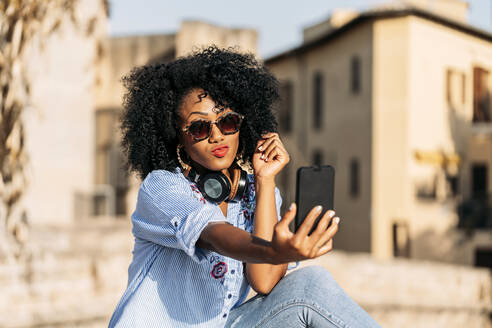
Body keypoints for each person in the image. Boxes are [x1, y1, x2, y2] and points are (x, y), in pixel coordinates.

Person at [108, 46, 381, 328]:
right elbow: (214, 235)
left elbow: (263, 281)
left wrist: (265, 181)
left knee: (311, 282)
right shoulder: (164, 187)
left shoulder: (255, 193)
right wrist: (277, 251)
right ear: (179, 138)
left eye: (227, 121)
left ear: (242, 123)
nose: (217, 136)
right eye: (200, 128)